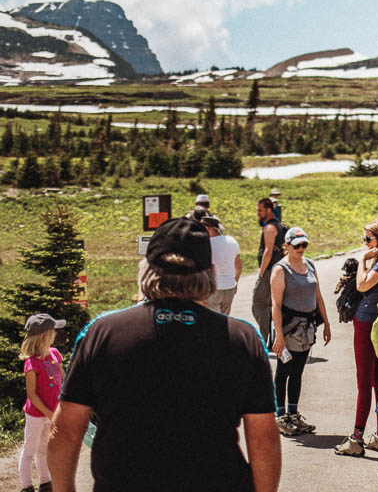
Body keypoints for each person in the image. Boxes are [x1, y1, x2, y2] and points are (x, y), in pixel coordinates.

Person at [48, 216, 280, 492]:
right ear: (209, 273)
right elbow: (264, 437)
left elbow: (64, 430)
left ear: (147, 271)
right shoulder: (242, 338)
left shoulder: (103, 332)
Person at [335, 221, 378, 457]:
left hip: (366, 322)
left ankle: (356, 438)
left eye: (368, 239)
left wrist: (362, 260)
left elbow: (362, 286)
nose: (365, 244)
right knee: (377, 377)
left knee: (364, 381)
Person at [270, 226, 332, 436]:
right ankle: (280, 417)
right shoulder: (280, 270)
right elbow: (275, 305)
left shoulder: (310, 265)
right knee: (283, 372)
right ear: (286, 246)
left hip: (307, 328)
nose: (301, 248)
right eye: (297, 245)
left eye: (304, 244)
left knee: (297, 372)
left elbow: (318, 296)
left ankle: (293, 414)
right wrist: (278, 335)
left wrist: (326, 323)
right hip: (288, 328)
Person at [19, 313, 65, 492]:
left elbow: (62, 378)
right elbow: (32, 396)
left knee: (44, 449)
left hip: (51, 413)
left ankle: (46, 483)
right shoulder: (31, 364)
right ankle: (26, 486)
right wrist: (48, 414)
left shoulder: (55, 354)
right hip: (36, 415)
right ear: (44, 335)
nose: (56, 334)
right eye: (53, 331)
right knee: (29, 451)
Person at [252, 197, 286, 347]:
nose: (258, 213)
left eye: (260, 210)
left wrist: (261, 273)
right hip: (276, 271)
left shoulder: (270, 227)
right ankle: (271, 338)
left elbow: (268, 251)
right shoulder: (279, 225)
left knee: (258, 304)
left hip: (268, 272)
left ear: (268, 210)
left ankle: (263, 339)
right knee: (271, 305)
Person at [198, 210, 241, 314]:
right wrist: (235, 282)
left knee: (211, 322)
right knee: (224, 321)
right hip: (229, 287)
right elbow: (238, 265)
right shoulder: (232, 241)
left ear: (207, 228)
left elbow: (203, 270)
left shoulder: (205, 245)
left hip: (213, 289)